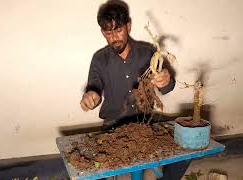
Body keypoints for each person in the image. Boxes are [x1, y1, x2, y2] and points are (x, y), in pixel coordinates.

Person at [79, 0, 191, 179]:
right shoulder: (99, 59)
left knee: (188, 145)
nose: (114, 37)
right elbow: (95, 87)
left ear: (128, 26)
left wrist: (166, 80)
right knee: (85, 167)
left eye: (118, 30)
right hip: (113, 123)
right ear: (102, 32)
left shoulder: (148, 53)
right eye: (108, 32)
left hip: (147, 120)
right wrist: (91, 96)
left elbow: (167, 88)